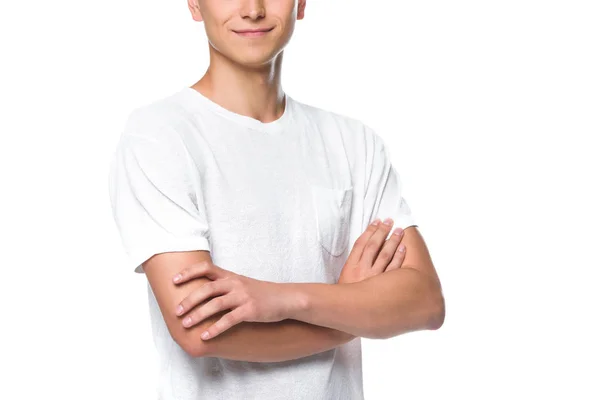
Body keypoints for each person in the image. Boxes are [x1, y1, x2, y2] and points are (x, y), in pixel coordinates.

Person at [108, 0, 444, 399]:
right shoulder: (160, 136)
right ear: (194, 5)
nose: (252, 9)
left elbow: (424, 302)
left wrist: (283, 299)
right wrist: (351, 313)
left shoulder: (355, 144)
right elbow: (200, 329)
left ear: (301, 3)